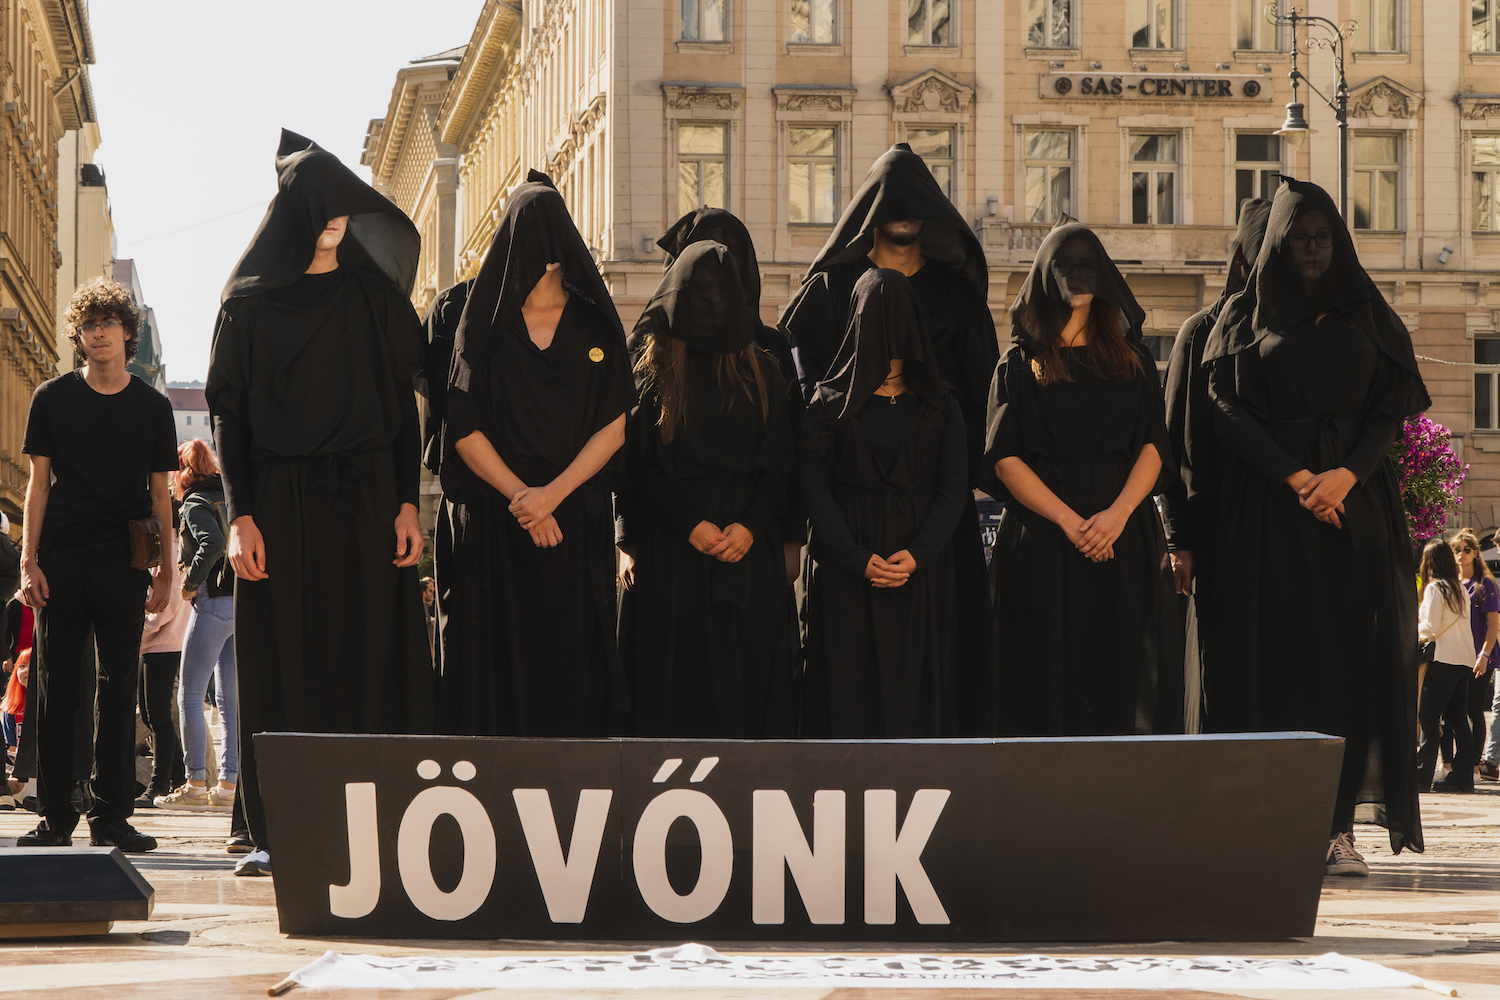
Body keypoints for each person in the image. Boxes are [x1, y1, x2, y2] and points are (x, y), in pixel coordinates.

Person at [207, 130, 433, 876]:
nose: (336, 218)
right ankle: (280, 826)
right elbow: (229, 418)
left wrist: (409, 504)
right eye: (322, 205)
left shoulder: (375, 298)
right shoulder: (247, 306)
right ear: (295, 212)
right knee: (284, 655)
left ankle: (381, 818)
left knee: (369, 646)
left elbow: (405, 410)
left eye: (345, 205)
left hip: (369, 500)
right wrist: (239, 517)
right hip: (278, 502)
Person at [1201, 178, 1430, 873]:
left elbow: (1389, 410)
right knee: (1274, 662)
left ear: (1340, 243)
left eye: (1322, 237)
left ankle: (1337, 829)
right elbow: (1223, 406)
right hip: (1272, 514)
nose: (1310, 248)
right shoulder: (1246, 317)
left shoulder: (1367, 315)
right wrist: (1297, 477)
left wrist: (1347, 475)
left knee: (1345, 668)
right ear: (1276, 244)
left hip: (1352, 515)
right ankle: (1267, 820)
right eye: (1297, 237)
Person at [780, 143, 997, 731]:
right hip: (849, 513)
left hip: (932, 519)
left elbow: (981, 399)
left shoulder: (955, 296)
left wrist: (941, 499)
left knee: (934, 663)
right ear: (872, 213)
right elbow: (797, 394)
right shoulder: (829, 292)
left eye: (914, 201)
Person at [436, 171, 631, 736]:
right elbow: (463, 427)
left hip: (573, 524)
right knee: (499, 663)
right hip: (501, 528)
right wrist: (523, 499)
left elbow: (614, 425)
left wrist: (552, 497)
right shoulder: (483, 328)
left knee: (573, 663)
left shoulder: (596, 323)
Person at [980, 225, 1181, 739]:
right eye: (1064, 265)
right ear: (1045, 276)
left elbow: (1155, 447)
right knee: (1043, 674)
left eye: (1086, 265)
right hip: (1045, 539)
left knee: (1120, 671)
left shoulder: (1133, 361)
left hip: (1122, 538)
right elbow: (1004, 459)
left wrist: (1114, 518)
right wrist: (1072, 523)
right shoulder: (1018, 365)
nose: (1075, 276)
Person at [18, 275, 178, 851]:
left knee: (118, 692)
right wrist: (28, 561)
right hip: (60, 559)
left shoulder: (153, 407)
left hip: (124, 561)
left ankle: (112, 816)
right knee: (59, 690)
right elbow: (38, 487)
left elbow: (161, 497)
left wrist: (168, 574)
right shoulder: (51, 398)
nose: (99, 332)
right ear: (78, 336)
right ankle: (56, 813)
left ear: (128, 332)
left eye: (109, 322)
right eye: (89, 325)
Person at [619, 242, 796, 736]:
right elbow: (642, 464)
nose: (713, 304)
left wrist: (752, 526)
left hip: (746, 548)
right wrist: (688, 525)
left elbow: (780, 460)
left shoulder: (764, 373)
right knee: (677, 680)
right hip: (676, 550)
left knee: (749, 678)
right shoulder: (654, 373)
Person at [800, 268, 967, 736]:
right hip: (845, 569)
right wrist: (856, 559)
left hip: (921, 568)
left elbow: (953, 488)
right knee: (847, 692)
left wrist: (917, 555)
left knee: (916, 692)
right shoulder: (825, 405)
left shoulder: (940, 405)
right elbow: (813, 489)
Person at [632, 207, 805, 589]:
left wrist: (769, 531)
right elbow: (635, 460)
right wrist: (632, 540)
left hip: (750, 540)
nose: (712, 282)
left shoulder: (767, 361)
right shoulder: (652, 360)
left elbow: (785, 457)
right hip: (675, 541)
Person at [1160, 199, 1272, 727]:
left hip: (1284, 530)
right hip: (1220, 530)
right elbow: (1179, 443)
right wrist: (1180, 540)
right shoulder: (1200, 331)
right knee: (1221, 665)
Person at [154, 439, 238, 814]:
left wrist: (190, 583)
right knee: (230, 699)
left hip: (212, 601)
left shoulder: (193, 502)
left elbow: (213, 541)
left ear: (181, 473)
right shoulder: (231, 498)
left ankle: (194, 783)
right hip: (240, 603)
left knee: (188, 695)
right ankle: (228, 785)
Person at [1416, 539, 1477, 794]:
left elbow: (1430, 628)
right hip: (1464, 658)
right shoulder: (1459, 587)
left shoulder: (1434, 588)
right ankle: (1463, 778)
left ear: (1430, 562)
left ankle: (1420, 778)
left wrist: (1413, 633)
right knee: (1458, 720)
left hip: (1443, 659)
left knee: (1428, 717)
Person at [137, 523, 189, 805]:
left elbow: (169, 601)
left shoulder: (168, 547)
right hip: (158, 641)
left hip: (164, 641)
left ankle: (159, 785)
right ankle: (176, 776)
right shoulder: (166, 544)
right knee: (151, 714)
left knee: (157, 715)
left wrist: (141, 626)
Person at [1452, 529, 1498, 782]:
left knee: (1473, 711)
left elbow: (1492, 624)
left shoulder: (1485, 584)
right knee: (1454, 711)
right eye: (1457, 550)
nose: (1461, 555)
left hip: (1480, 656)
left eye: (1466, 550)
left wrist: (1484, 654)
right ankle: (1455, 763)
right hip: (1456, 655)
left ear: (1476, 553)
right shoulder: (1452, 582)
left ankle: (1472, 766)